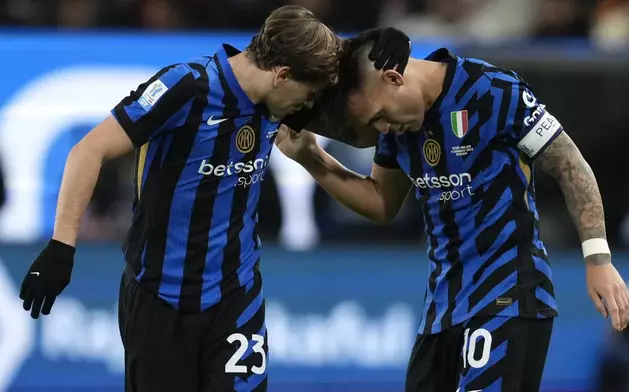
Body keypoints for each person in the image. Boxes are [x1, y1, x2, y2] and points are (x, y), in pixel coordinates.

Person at [17, 6, 409, 392]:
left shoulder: (287, 93)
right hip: (158, 297)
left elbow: (356, 104)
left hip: (236, 297)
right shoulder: (186, 87)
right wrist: (61, 246)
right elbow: (89, 150)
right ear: (281, 75)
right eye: (307, 97)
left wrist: (379, 41)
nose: (309, 109)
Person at [277, 36, 629, 391]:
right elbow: (382, 202)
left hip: (508, 293)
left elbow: (570, 165)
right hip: (442, 308)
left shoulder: (492, 90)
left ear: (394, 78)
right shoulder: (395, 128)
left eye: (381, 116)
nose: (383, 128)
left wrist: (598, 258)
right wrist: (312, 158)